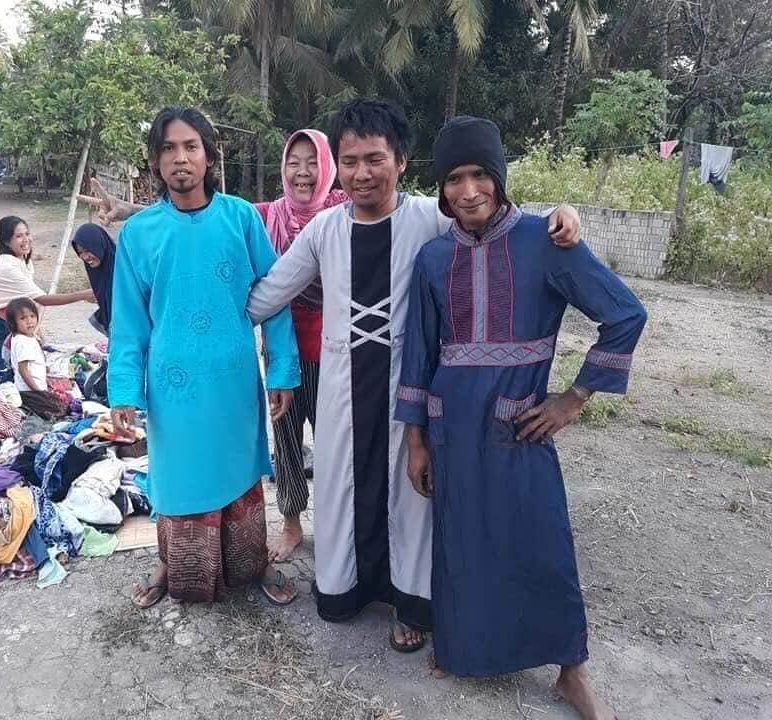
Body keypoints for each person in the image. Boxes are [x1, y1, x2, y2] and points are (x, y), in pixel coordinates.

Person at [246, 98, 583, 654]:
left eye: (374, 158)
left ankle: (409, 602)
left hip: (412, 391)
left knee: (410, 497)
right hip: (341, 391)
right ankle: (344, 589)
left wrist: (565, 213)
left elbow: (498, 217)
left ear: (401, 160)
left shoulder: (428, 215)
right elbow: (267, 296)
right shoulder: (326, 230)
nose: (361, 173)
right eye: (350, 160)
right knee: (342, 488)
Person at [396, 116, 646, 720]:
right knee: (463, 540)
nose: (468, 189)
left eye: (480, 173)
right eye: (454, 177)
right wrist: (417, 442)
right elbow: (419, 353)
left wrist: (572, 398)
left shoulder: (546, 241)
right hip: (452, 426)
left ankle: (571, 669)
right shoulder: (432, 259)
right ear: (441, 189)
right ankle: (465, 649)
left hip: (518, 424)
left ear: (500, 178)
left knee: (542, 540)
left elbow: (625, 314)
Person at [108, 106, 301, 610]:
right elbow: (128, 321)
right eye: (168, 149)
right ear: (155, 162)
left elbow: (275, 296)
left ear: (209, 157)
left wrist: (281, 369)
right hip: (172, 384)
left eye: (191, 146)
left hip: (234, 378)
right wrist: (124, 390)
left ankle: (252, 563)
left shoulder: (240, 218)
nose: (180, 159)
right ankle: (173, 565)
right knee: (177, 473)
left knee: (239, 468)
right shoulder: (139, 233)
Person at [254, 129, 349, 562]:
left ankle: (337, 526)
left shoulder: (346, 210)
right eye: (294, 162)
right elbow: (206, 216)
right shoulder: (266, 215)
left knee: (337, 443)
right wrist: (127, 209)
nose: (303, 172)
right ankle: (291, 524)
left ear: (327, 167)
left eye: (313, 162)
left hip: (337, 351)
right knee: (287, 437)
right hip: (283, 353)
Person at [0, 216, 95, 380]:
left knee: (24, 372)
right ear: (6, 241)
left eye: (27, 234)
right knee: (4, 379)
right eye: (19, 236)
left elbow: (30, 303)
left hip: (15, 324)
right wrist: (83, 295)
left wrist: (38, 335)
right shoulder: (7, 267)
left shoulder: (22, 260)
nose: (26, 240)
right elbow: (42, 299)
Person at [6, 297, 68, 420]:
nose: (29, 321)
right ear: (14, 322)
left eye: (32, 316)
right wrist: (39, 392)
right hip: (29, 391)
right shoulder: (23, 342)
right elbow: (23, 370)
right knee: (58, 411)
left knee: (60, 405)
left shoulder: (25, 337)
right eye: (23, 318)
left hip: (33, 388)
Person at [71, 223, 116, 336]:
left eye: (87, 250)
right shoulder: (97, 272)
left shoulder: (122, 269)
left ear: (98, 245)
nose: (84, 257)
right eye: (80, 252)